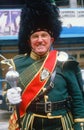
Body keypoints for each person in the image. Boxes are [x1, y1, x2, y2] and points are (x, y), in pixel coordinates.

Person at [3, 0, 84, 130]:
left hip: (62, 123)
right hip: (31, 123)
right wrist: (9, 97)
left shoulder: (65, 62)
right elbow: (8, 96)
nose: (40, 40)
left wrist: (79, 124)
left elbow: (78, 98)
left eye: (44, 35)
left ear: (51, 39)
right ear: (29, 41)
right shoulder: (16, 64)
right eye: (35, 36)